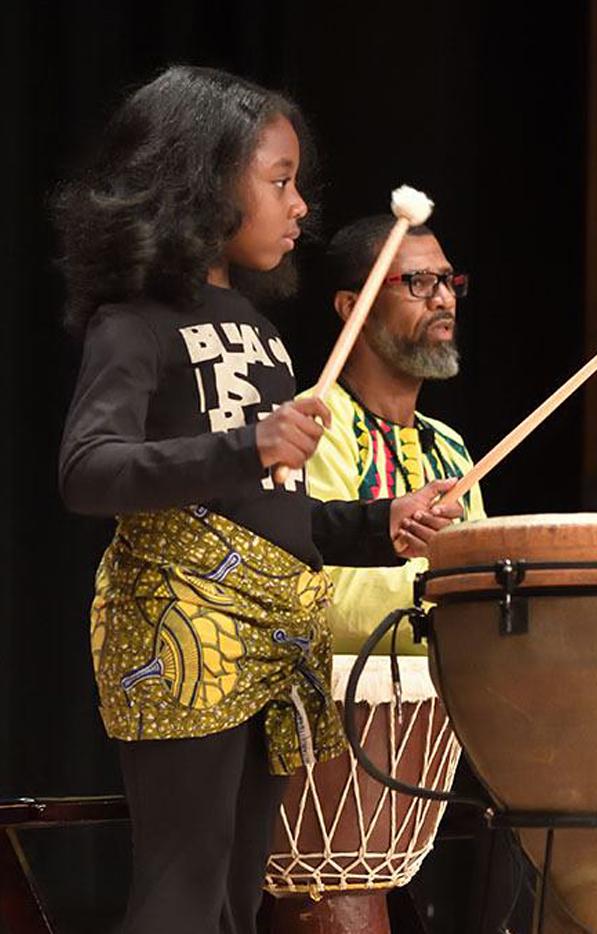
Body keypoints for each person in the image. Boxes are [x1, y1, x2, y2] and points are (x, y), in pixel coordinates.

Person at [54, 66, 461, 934]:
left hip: (274, 634)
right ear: (202, 181)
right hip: (183, 626)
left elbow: (277, 516)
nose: (300, 205)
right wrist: (249, 444)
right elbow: (88, 469)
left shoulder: (262, 330)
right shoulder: (135, 320)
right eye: (279, 182)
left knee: (240, 897)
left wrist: (381, 525)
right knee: (183, 889)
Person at [304, 214, 485, 657]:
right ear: (353, 307)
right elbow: (323, 600)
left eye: (448, 281)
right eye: (419, 282)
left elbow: (481, 573)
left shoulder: (448, 444)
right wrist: (466, 594)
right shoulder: (309, 426)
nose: (443, 300)